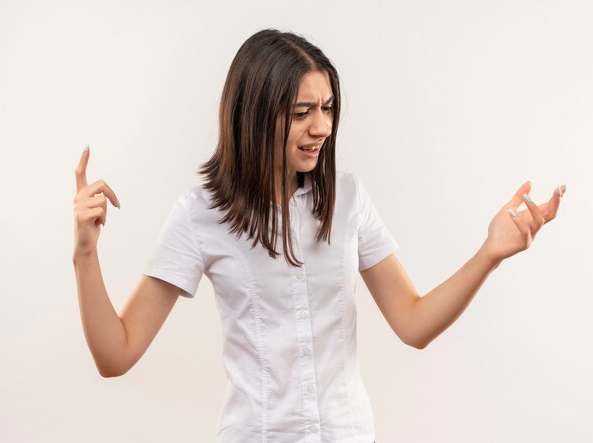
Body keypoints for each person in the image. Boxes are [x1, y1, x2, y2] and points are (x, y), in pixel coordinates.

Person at [72, 28, 566, 443]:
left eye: (328, 108)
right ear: (255, 113)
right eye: (301, 111)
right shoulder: (201, 215)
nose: (322, 126)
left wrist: (490, 253)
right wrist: (86, 253)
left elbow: (413, 323)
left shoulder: (348, 201)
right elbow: (116, 354)